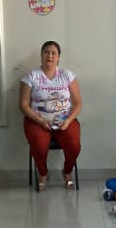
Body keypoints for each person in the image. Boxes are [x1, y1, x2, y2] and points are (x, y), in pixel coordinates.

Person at [20, 39, 83, 190]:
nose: (50, 56)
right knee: (39, 144)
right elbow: (23, 104)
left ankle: (67, 171)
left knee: (74, 145)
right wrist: (40, 121)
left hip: (64, 120)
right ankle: (43, 173)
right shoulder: (31, 77)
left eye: (53, 53)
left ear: (58, 57)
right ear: (41, 55)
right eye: (46, 52)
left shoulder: (67, 75)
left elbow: (77, 102)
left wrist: (68, 120)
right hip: (37, 121)